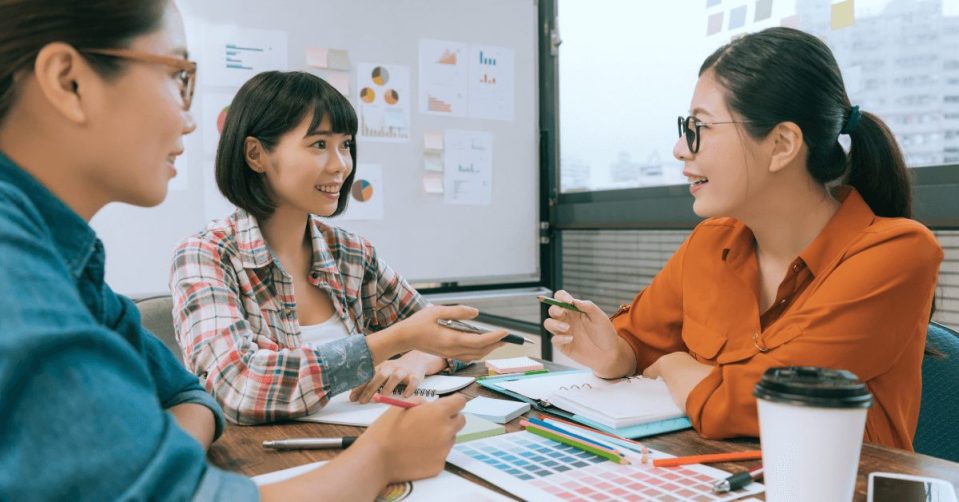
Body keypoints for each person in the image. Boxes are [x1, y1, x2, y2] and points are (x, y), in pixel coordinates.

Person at [0, 1, 466, 499]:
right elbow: (228, 395)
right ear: (69, 82)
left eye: (346, 145)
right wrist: (381, 457)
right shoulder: (20, 270)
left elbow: (187, 393)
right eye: (178, 76)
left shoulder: (72, 265)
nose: (189, 120)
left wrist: (164, 464)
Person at [544, 27, 942, 451]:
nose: (680, 148)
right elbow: (640, 342)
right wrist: (614, 355)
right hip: (712, 474)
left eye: (700, 127)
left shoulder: (896, 253)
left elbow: (765, 404)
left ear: (782, 144)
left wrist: (676, 365)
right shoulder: (710, 242)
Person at [169, 70, 506, 425]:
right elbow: (239, 389)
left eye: (345, 145)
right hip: (267, 455)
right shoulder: (205, 255)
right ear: (256, 155)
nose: (341, 165)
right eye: (319, 145)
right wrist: (394, 341)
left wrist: (419, 358)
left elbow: (448, 333)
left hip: (370, 442)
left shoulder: (350, 253)